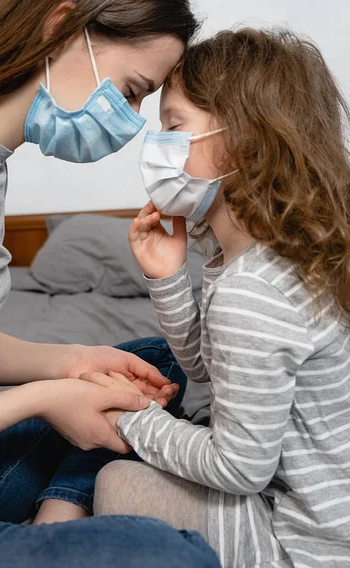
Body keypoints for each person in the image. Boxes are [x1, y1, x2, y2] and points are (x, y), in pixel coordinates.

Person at [0, 0, 220, 565]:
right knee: (170, 556)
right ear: (62, 27)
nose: (129, 123)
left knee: (162, 362)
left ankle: (57, 511)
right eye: (131, 91)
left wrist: (72, 364)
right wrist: (42, 397)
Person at [89, 28, 350, 567]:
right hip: (319, 514)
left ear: (245, 139)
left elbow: (239, 469)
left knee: (119, 481)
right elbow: (211, 367)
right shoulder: (268, 258)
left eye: (174, 126)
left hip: (302, 544)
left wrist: (129, 418)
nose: (156, 143)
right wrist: (167, 278)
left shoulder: (254, 290)